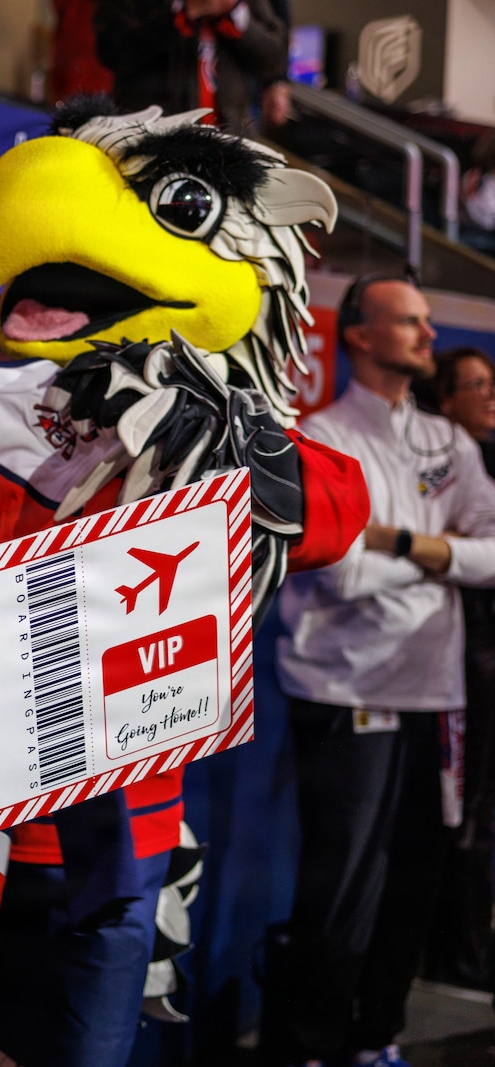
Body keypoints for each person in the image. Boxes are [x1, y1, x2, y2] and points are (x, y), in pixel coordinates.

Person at [275, 277, 495, 1067]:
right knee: (341, 887)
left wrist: (399, 544)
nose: (429, 335)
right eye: (412, 322)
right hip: (346, 692)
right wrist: (444, 557)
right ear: (362, 334)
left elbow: (491, 553)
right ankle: (309, 1046)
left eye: (431, 322)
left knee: (416, 881)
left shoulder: (450, 442)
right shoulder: (324, 437)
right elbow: (339, 573)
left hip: (436, 696)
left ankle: (378, 1038)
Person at [422, 346, 495, 990]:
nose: (490, 395)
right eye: (475, 385)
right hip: (458, 659)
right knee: (462, 812)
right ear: (444, 400)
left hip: (480, 656)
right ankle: (457, 956)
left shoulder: (481, 462)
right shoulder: (439, 463)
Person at [95, 0, 288, 135]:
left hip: (230, 140)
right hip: (152, 137)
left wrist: (233, 13)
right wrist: (183, 15)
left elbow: (275, 58)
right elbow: (113, 52)